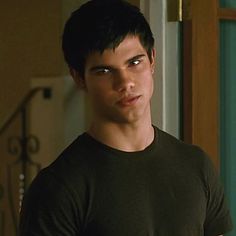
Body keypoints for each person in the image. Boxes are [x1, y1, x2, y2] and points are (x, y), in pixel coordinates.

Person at [19, 0, 233, 235]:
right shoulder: (57, 188)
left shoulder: (196, 165)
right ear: (79, 78)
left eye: (134, 62)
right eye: (105, 71)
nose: (125, 83)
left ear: (152, 59)